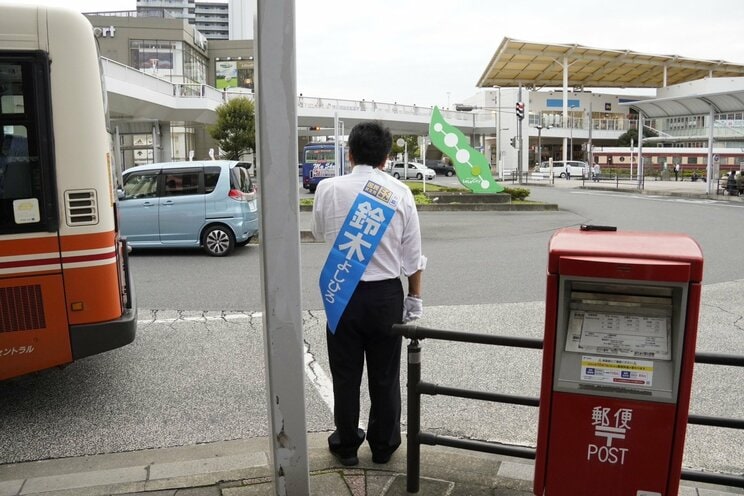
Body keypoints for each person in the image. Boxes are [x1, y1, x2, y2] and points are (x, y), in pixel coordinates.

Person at [311, 121, 426, 467]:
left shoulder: (328, 189)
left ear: (350, 153)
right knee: (385, 376)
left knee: (345, 376)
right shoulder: (400, 193)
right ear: (387, 158)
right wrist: (414, 300)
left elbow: (319, 234)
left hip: (341, 291)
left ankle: (346, 446)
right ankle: (383, 445)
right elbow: (413, 256)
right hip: (385, 297)